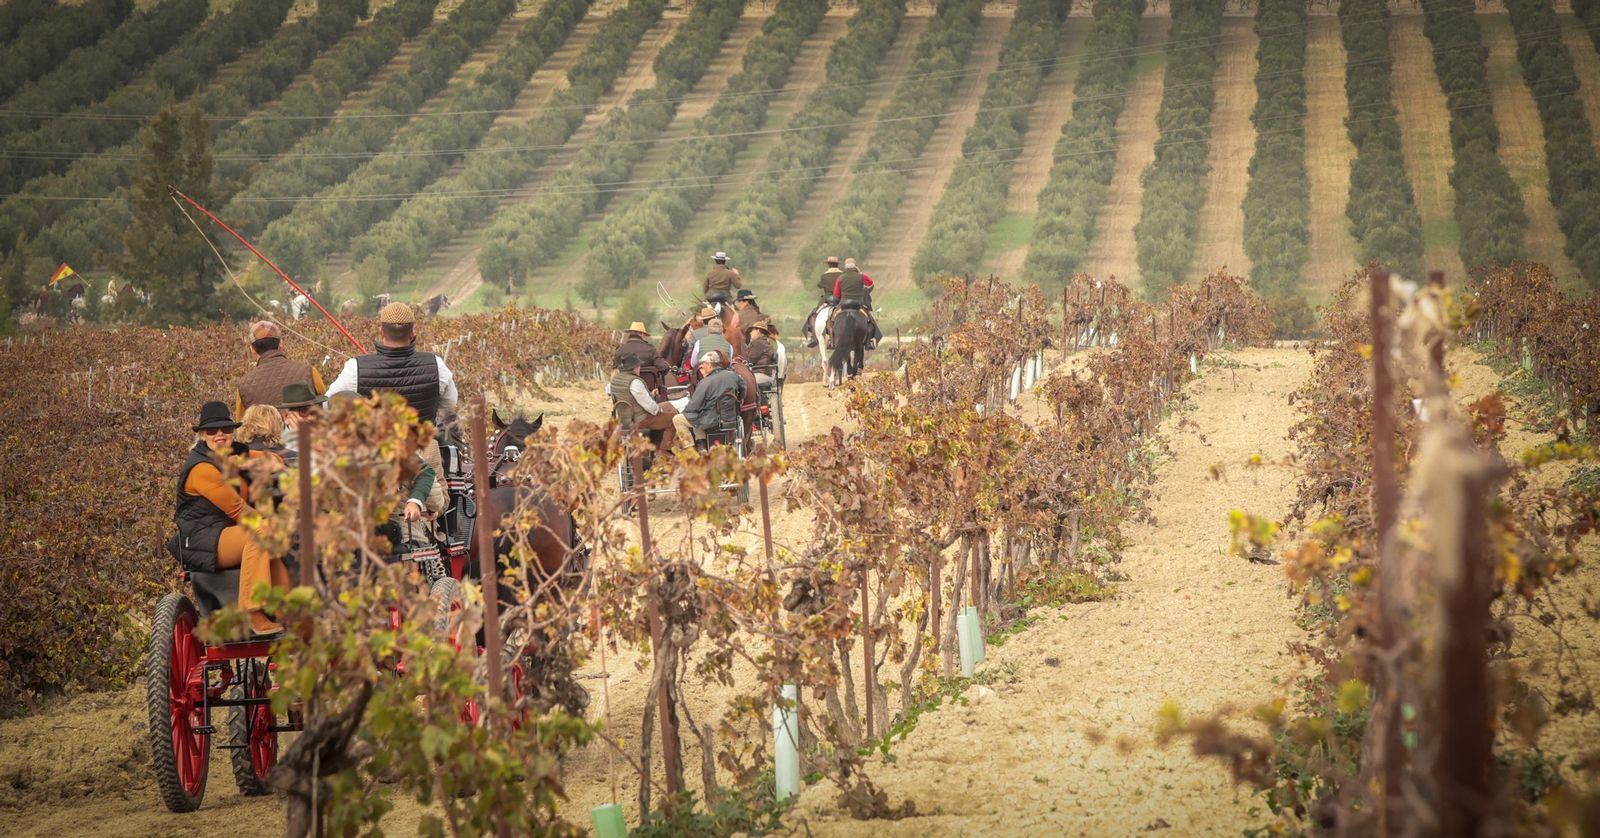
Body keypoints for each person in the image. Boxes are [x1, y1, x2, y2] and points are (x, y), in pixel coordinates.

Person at [170, 402, 289, 636]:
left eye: (225, 429)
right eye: (212, 431)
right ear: (202, 435)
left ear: (233, 431)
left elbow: (276, 461)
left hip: (226, 531)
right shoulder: (201, 468)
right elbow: (238, 511)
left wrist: (247, 462)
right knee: (264, 531)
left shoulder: (234, 452)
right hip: (203, 540)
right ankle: (253, 611)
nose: (220, 435)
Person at [326, 302, 454, 513]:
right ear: (412, 334)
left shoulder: (355, 368)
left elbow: (330, 403)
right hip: (424, 451)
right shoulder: (436, 365)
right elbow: (449, 404)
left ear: (381, 331)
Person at [235, 321, 325, 417]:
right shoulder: (309, 371)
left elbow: (241, 422)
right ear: (281, 344)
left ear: (252, 349)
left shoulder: (243, 386)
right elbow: (325, 406)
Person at [606, 356, 680, 456]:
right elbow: (650, 407)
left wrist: (651, 395)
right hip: (639, 420)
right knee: (674, 419)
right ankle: (663, 451)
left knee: (667, 405)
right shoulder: (634, 382)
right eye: (638, 366)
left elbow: (610, 392)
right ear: (634, 368)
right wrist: (660, 411)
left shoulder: (614, 380)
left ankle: (658, 444)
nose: (639, 368)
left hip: (624, 418)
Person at [678, 352, 743, 447]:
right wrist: (739, 400)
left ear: (709, 365)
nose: (701, 367)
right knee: (695, 417)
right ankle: (702, 446)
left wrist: (684, 412)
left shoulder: (705, 382)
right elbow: (743, 388)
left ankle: (691, 449)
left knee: (678, 419)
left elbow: (694, 406)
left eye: (703, 365)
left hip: (711, 421)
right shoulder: (733, 375)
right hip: (730, 418)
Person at [831, 258, 882, 349]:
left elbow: (836, 294)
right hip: (858, 304)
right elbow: (870, 283)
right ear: (855, 267)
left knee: (831, 319)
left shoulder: (840, 278)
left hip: (843, 304)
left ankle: (831, 340)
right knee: (870, 320)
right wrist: (860, 272)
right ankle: (869, 341)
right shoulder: (861, 276)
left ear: (845, 267)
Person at [277, 382, 327, 465]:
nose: (311, 417)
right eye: (304, 412)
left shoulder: (326, 431)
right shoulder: (276, 441)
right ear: (286, 415)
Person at [803, 257, 843, 347]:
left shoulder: (824, 276)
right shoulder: (842, 274)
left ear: (828, 264)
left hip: (827, 299)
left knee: (814, 314)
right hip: (840, 299)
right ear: (837, 264)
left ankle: (813, 337)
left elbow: (820, 285)